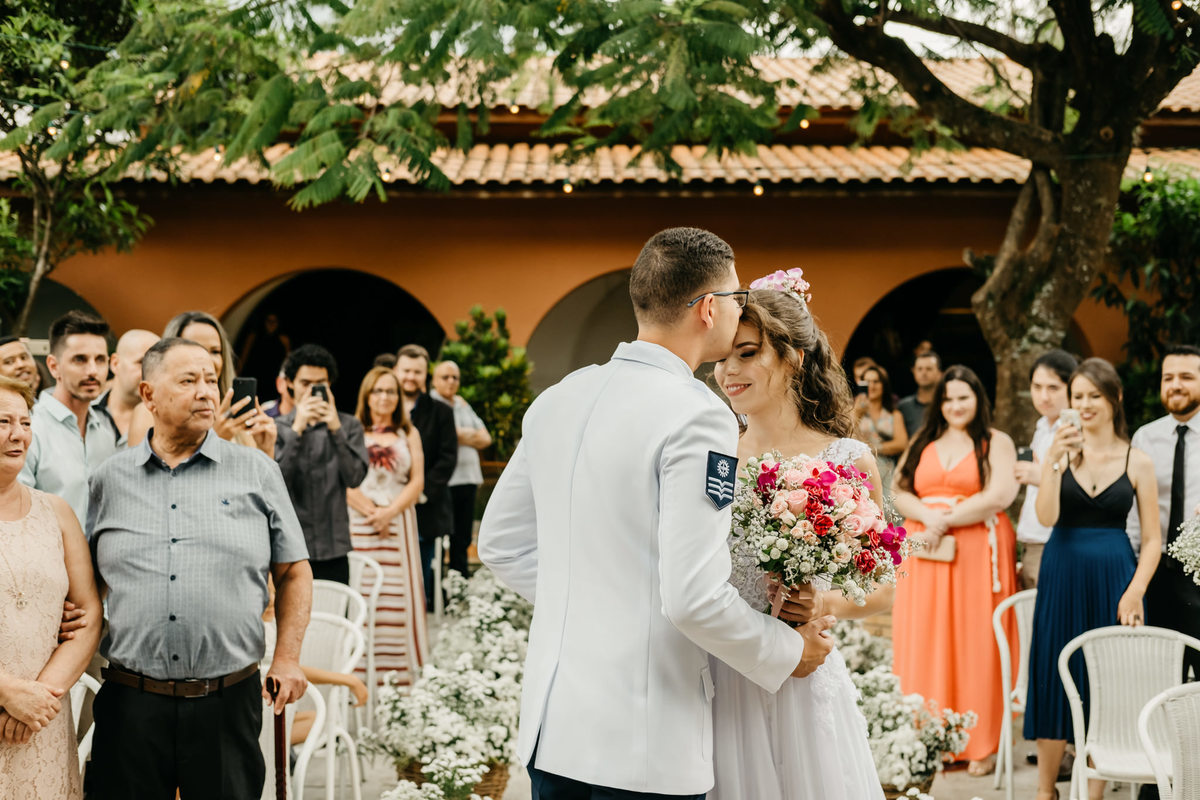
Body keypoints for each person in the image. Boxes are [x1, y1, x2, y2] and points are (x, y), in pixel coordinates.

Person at [479, 227, 834, 800]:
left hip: (554, 727)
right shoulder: (699, 416)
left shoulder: (558, 399)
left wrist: (596, 599)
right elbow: (692, 597)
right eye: (738, 299)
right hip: (642, 740)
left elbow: (500, 545)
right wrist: (789, 652)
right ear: (709, 309)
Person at [84, 337, 311, 800]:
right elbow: (90, 580)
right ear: (148, 395)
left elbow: (293, 571)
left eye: (211, 379)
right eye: (188, 381)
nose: (207, 391)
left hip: (227, 702)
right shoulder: (109, 479)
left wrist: (286, 657)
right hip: (130, 703)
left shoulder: (257, 472)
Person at [709, 275, 890, 800]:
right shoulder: (716, 458)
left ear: (793, 356)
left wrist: (819, 600)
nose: (728, 371)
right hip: (725, 674)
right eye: (722, 358)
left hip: (804, 676)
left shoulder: (847, 460)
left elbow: (881, 586)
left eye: (746, 353)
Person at [1024, 358, 1161, 800]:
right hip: (1061, 572)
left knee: (1105, 681)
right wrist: (1053, 463)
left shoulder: (1137, 461)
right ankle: (1046, 790)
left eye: (1093, 396)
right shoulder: (1058, 454)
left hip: (1115, 577)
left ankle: (1093, 793)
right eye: (1077, 396)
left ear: (1115, 399)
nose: (1084, 404)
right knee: (1052, 672)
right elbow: (1046, 516)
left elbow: (1153, 541)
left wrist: (1136, 590)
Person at [891, 365, 1020, 777]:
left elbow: (999, 494)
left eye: (964, 397)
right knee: (925, 639)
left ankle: (982, 742)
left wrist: (944, 520)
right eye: (948, 398)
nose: (955, 405)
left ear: (979, 398)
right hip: (925, 553)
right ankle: (929, 738)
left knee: (975, 641)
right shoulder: (923, 439)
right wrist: (930, 518)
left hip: (976, 553)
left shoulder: (995, 441)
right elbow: (898, 489)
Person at [0, 376, 102, 800]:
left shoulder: (56, 512)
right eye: (3, 421)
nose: (18, 434)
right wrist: (7, 692)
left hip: (42, 720)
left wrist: (42, 696)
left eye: (25, 422)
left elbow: (89, 613)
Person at [346, 366, 428, 687]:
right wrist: (371, 513)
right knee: (362, 593)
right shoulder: (352, 430)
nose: (385, 397)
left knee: (397, 600)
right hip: (360, 522)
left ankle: (397, 676)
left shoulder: (409, 434)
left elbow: (417, 480)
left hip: (398, 524)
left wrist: (389, 512)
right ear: (367, 395)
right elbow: (342, 480)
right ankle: (358, 671)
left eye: (391, 391)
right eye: (378, 391)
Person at [1129, 344, 1200, 682]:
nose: (1176, 385)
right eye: (1168, 377)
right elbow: (1132, 510)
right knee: (1157, 674)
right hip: (1154, 573)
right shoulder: (1145, 437)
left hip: (1199, 575)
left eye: (1187, 377)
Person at [275, 344, 369, 585]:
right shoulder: (277, 428)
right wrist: (298, 428)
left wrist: (335, 428)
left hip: (334, 548)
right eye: (306, 383)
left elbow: (355, 478)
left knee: (336, 621)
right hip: (290, 548)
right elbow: (276, 485)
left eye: (321, 383)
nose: (312, 390)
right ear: (290, 384)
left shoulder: (348, 426)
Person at [19, 311, 121, 525]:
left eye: (100, 360)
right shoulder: (29, 428)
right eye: (80, 360)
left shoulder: (106, 431)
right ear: (54, 366)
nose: (92, 371)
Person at [128, 311, 274, 456]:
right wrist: (214, 441)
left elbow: (256, 477)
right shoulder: (149, 413)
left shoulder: (236, 411)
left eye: (215, 351)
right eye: (195, 348)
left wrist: (266, 449)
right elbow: (143, 476)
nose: (206, 359)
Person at [395, 345, 457, 607]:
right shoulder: (383, 404)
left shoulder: (441, 412)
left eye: (417, 372)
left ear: (426, 375)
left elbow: (447, 459)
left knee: (418, 575)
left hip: (425, 506)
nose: (411, 377)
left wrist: (421, 493)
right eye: (406, 371)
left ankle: (416, 616)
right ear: (396, 371)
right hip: (386, 503)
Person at [1015, 349, 1078, 589]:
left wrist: (1037, 476)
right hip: (1032, 538)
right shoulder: (1042, 426)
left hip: (1055, 540)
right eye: (1037, 386)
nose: (1043, 396)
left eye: (1053, 388)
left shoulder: (1073, 428)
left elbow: (1083, 483)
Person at [432, 359, 492, 577]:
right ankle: (439, 587)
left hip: (468, 478)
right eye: (445, 377)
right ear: (434, 380)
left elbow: (485, 438)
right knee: (444, 535)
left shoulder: (462, 404)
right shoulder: (431, 403)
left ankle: (460, 579)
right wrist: (466, 434)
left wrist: (460, 435)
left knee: (463, 535)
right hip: (445, 480)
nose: (451, 381)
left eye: (455, 377)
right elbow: (443, 435)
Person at [95, 329, 159, 442]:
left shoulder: (166, 422)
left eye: (158, 366)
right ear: (115, 364)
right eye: (142, 363)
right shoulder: (84, 413)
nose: (151, 373)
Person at [853, 364, 908, 493]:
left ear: (884, 385)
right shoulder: (852, 410)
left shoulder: (894, 414)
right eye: (867, 382)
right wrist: (856, 413)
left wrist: (871, 448)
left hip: (888, 471)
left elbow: (901, 443)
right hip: (862, 471)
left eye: (876, 381)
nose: (871, 386)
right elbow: (845, 436)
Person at [897, 350, 943, 437]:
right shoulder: (903, 407)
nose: (924, 373)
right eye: (919, 369)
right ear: (913, 371)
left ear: (940, 373)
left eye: (929, 369)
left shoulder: (947, 405)